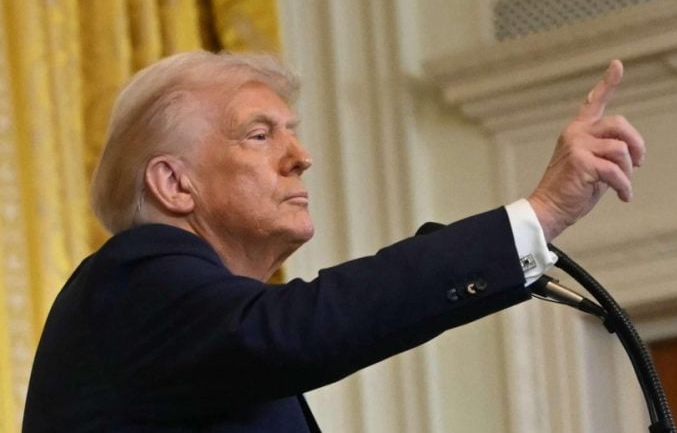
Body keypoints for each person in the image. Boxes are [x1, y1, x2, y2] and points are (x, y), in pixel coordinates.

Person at [22, 51, 644, 432]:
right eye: (260, 135)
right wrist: (538, 216)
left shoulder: (202, 327)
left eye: (291, 132)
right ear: (173, 184)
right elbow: (292, 330)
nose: (301, 157)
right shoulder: (132, 281)